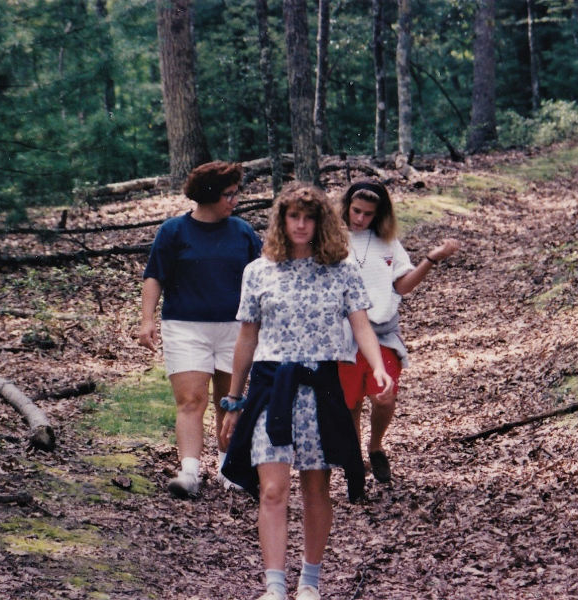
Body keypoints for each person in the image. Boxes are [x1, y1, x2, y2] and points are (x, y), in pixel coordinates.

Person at [219, 183, 393, 600]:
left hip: (321, 386)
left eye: (309, 217)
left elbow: (361, 326)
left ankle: (309, 582)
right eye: (293, 216)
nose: (301, 224)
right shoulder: (257, 271)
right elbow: (246, 339)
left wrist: (377, 367)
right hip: (269, 386)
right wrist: (232, 400)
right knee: (273, 488)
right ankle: (274, 586)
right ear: (281, 220)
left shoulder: (342, 270)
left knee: (316, 487)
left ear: (321, 222)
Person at [138, 161, 262, 498]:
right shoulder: (173, 231)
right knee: (191, 401)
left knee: (229, 401)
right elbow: (154, 276)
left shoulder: (243, 232)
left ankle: (229, 468)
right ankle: (189, 472)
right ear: (207, 195)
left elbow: (266, 276)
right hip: (185, 327)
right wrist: (147, 320)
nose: (234, 200)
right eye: (228, 194)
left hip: (236, 329)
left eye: (236, 193)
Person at [337, 180, 460, 483]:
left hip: (381, 332)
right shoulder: (332, 239)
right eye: (356, 211)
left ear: (380, 214)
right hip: (340, 334)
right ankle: (355, 461)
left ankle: (375, 445)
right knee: (348, 402)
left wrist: (432, 259)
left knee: (384, 396)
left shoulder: (388, 243)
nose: (360, 219)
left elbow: (402, 285)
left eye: (368, 213)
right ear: (346, 207)